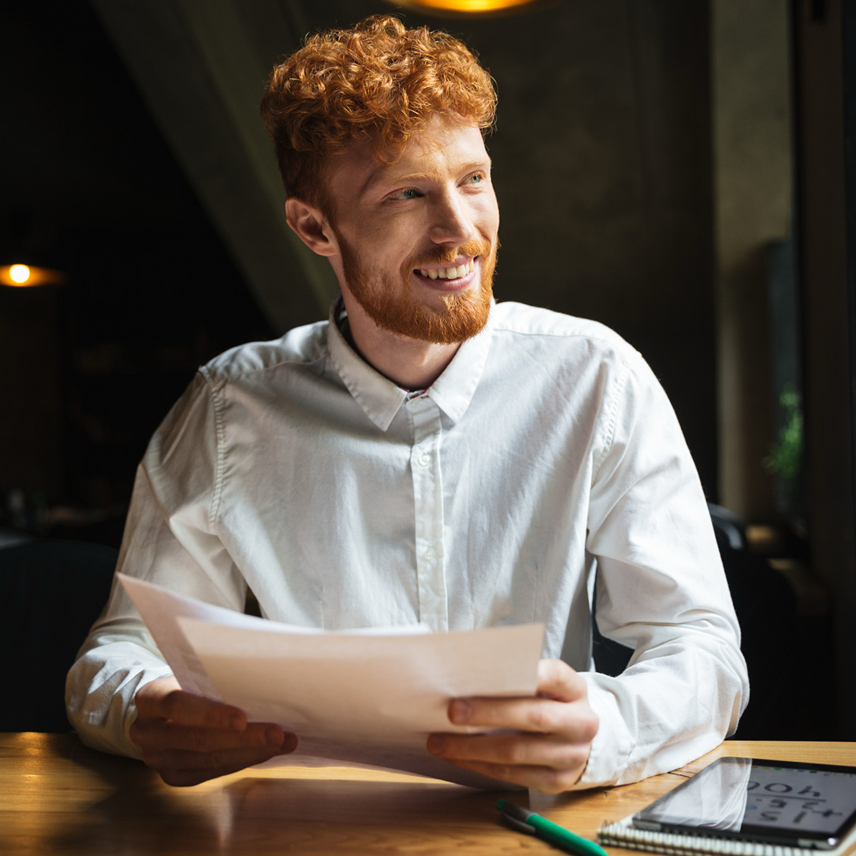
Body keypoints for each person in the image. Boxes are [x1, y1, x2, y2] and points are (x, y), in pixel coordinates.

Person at [66, 14, 748, 793]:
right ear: (314, 227)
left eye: (473, 179)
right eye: (408, 194)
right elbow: (116, 655)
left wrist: (605, 732)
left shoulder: (599, 378)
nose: (460, 231)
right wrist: (150, 709)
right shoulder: (226, 410)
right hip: (308, 829)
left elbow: (702, 648)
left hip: (532, 828)